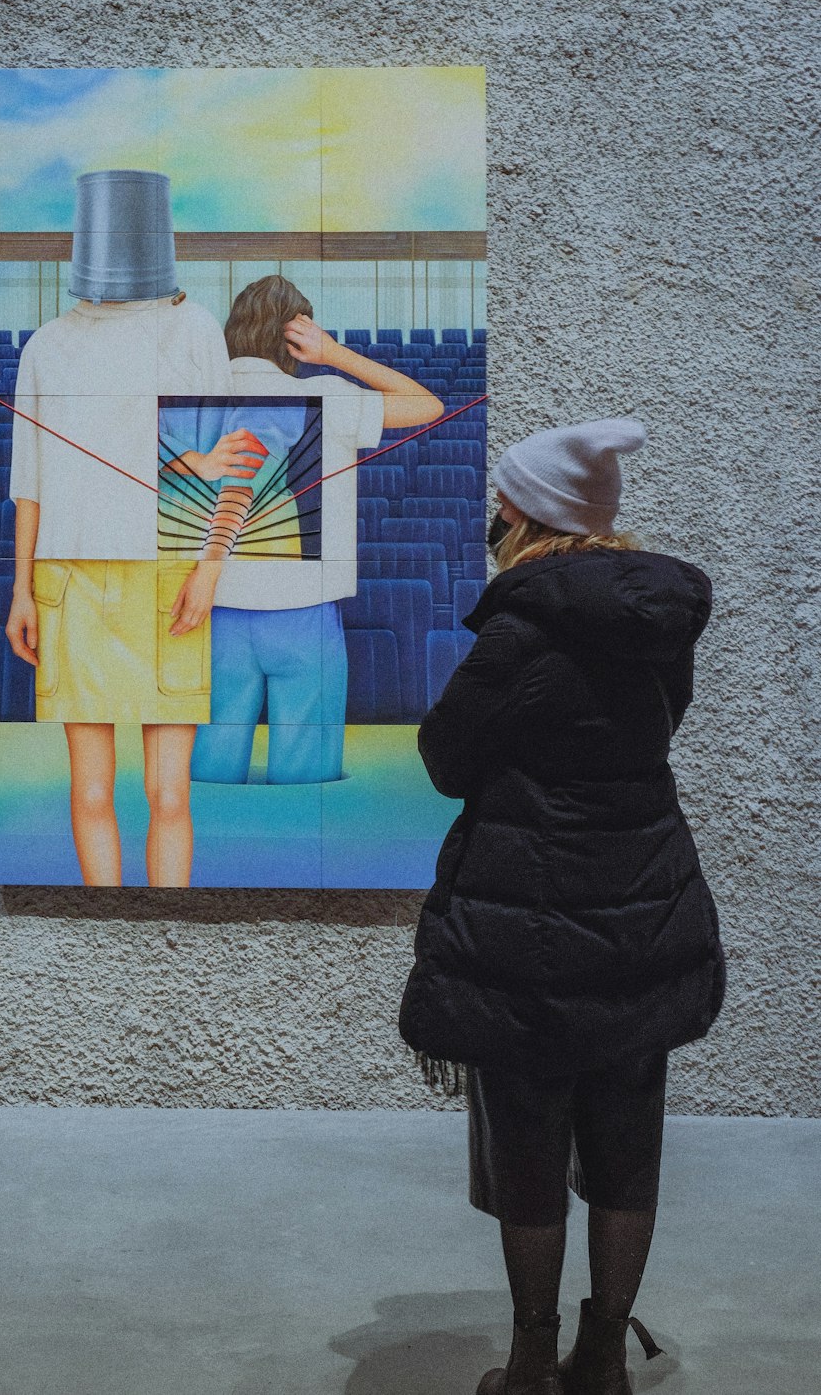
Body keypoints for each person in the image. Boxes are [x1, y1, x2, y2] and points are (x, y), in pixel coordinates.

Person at [398, 418, 726, 1395]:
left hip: (526, 919)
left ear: (519, 512)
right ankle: (604, 1362)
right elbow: (646, 733)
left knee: (530, 1138)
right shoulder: (652, 619)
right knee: (628, 1138)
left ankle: (533, 1355)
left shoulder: (520, 628)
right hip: (640, 903)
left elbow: (447, 759)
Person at [4, 169, 248, 887]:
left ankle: (145, 928)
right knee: (114, 792)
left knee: (157, 793)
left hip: (151, 572)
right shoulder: (49, 344)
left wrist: (210, 566)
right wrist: (22, 590)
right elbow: (34, 479)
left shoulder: (185, 329)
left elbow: (231, 460)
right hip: (83, 575)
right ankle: (117, 929)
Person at [190, 274, 444, 784]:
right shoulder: (328, 395)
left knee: (207, 772)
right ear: (294, 334)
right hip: (303, 609)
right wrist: (333, 354)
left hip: (207, 613)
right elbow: (428, 405)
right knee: (307, 776)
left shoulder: (189, 397)